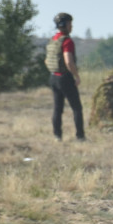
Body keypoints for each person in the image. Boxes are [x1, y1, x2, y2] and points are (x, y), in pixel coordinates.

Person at [44, 12, 85, 141]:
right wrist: (76, 76)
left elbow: (46, 60)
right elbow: (68, 61)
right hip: (65, 78)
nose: (71, 26)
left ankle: (57, 136)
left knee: (57, 109)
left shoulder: (53, 40)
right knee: (77, 108)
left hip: (53, 77)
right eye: (70, 24)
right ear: (65, 25)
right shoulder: (67, 41)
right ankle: (80, 137)